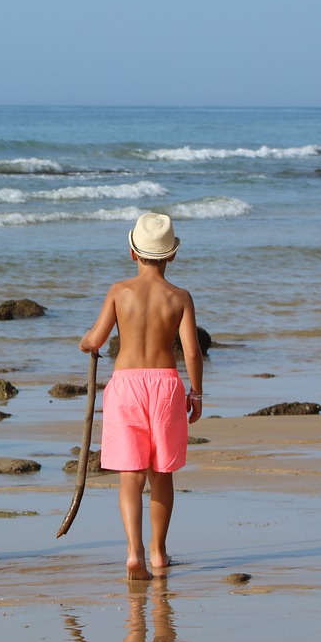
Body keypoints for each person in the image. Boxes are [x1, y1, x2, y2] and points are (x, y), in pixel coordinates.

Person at [79, 213, 203, 580]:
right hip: (166, 385)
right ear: (172, 256)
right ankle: (159, 553)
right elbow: (192, 352)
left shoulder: (120, 291)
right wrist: (195, 392)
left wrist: (86, 341)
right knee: (162, 474)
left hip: (126, 386)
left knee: (130, 476)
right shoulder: (179, 297)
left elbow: (97, 338)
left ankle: (133, 553)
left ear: (132, 251)